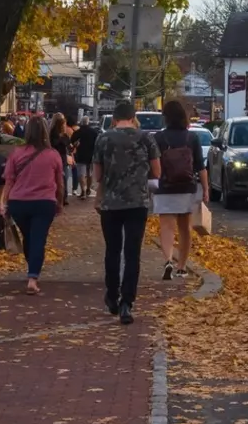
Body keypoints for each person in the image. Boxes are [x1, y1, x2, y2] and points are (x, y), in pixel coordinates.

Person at [92, 97, 159, 324]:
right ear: (133, 118)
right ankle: (127, 303)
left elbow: (98, 176)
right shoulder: (146, 139)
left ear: (114, 118)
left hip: (110, 204)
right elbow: (157, 172)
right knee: (132, 253)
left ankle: (112, 295)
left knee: (112, 250)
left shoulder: (103, 139)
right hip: (137, 202)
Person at [0, 115, 67, 295]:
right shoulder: (53, 155)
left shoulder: (16, 153)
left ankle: (32, 269)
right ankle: (32, 277)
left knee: (28, 237)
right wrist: (59, 203)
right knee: (38, 238)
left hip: (18, 202)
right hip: (44, 202)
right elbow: (59, 183)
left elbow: (8, 181)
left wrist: (3, 203)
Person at [152, 100, 206, 281]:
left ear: (166, 117)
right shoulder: (192, 138)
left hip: (165, 187)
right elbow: (200, 167)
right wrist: (205, 190)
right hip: (186, 187)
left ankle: (168, 260)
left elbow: (152, 165)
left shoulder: (158, 138)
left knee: (166, 227)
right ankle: (182, 267)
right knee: (185, 229)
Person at [73, 114, 100, 199]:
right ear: (89, 123)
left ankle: (83, 191)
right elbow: (98, 144)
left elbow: (72, 142)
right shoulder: (94, 132)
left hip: (81, 155)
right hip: (91, 155)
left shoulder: (78, 132)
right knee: (89, 173)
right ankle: (88, 189)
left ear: (81, 123)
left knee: (81, 174)